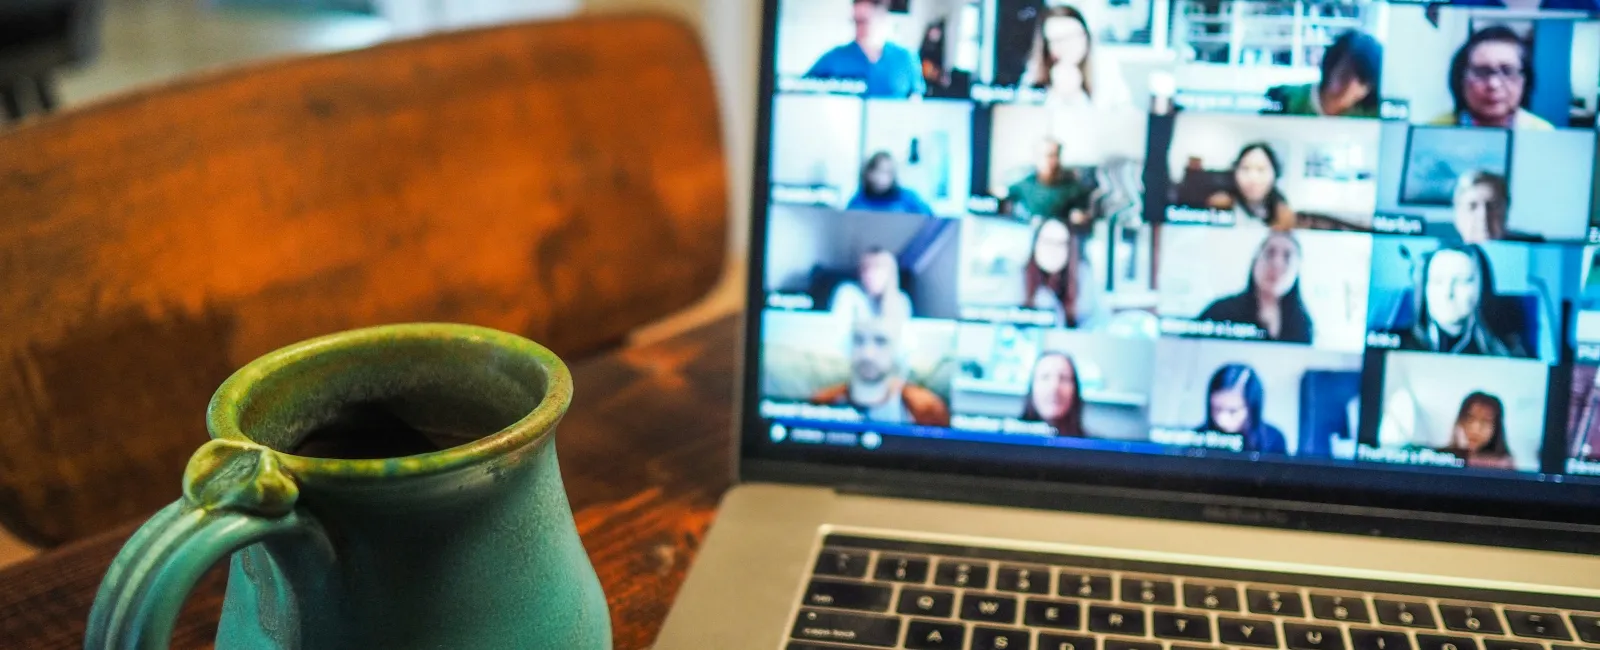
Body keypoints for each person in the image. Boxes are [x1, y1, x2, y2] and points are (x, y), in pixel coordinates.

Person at [810, 315, 950, 426]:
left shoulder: (927, 409)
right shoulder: (822, 403)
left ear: (899, 349)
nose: (867, 354)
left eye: (880, 341)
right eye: (858, 340)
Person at [1398, 245, 1531, 358]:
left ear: (1481, 288)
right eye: (1437, 281)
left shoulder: (1506, 352)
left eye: (1462, 281)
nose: (1447, 293)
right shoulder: (1399, 343)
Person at [1198, 231, 1314, 344]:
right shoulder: (1219, 312)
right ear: (1255, 261)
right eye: (1270, 254)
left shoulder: (1303, 324)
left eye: (1287, 257)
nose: (1277, 264)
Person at [1429, 26, 1553, 130]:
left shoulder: (1541, 133)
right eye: (1481, 72)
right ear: (1460, 79)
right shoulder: (1435, 130)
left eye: (1507, 71)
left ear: (1525, 80)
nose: (1493, 84)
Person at [804, 0, 925, 98]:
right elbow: (803, 90)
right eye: (855, 22)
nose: (858, 27)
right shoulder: (834, 58)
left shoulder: (906, 58)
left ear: (881, 17)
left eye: (864, 21)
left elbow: (915, 100)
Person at [1022, 5, 1132, 109]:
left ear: (1086, 36)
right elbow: (1026, 112)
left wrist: (1075, 96)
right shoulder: (1036, 70)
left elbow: (1125, 113)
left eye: (1072, 36)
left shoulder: (1105, 66)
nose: (1066, 46)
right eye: (1057, 40)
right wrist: (1056, 94)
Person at [1265, 31, 1383, 118]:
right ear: (1330, 66)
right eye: (1345, 74)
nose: (1350, 86)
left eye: (1361, 81)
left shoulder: (1371, 117)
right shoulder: (1285, 100)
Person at [1024, 218, 1106, 328]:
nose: (1052, 250)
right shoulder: (1020, 279)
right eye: (1047, 241)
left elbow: (1099, 323)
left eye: (1060, 243)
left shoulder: (1083, 277)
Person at [1005, 138, 1094, 227]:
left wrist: (1080, 216)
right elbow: (1003, 194)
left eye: (1056, 155)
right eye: (1048, 156)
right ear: (1036, 158)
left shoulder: (1073, 188)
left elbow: (1086, 212)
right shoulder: (1025, 184)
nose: (1053, 161)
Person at [1206, 143, 1296, 230]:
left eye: (1261, 169)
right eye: (1245, 169)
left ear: (1275, 173)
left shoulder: (1282, 211)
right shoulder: (1221, 202)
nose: (1253, 178)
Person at [1202, 364, 1288, 454]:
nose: (1222, 419)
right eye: (1216, 409)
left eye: (1232, 411)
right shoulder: (1198, 437)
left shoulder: (1273, 439)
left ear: (1251, 408)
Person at [831, 247, 914, 322]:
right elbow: (839, 327)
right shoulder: (848, 293)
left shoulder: (901, 300)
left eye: (877, 267)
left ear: (890, 273)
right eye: (865, 268)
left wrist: (889, 298)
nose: (869, 274)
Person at [1451, 171, 1529, 243]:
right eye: (1472, 206)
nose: (1483, 215)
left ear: (1506, 210)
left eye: (1493, 206)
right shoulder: (1446, 252)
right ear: (1457, 215)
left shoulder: (1531, 249)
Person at [1443, 391, 1516, 470]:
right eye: (1469, 418)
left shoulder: (1504, 466)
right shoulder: (1441, 458)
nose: (1475, 429)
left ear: (1496, 428)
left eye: (1485, 421)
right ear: (1460, 420)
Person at [1021, 352, 1087, 437]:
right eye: (1045, 377)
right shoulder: (1008, 437)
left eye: (1063, 378)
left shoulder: (1095, 443)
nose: (1054, 387)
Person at [847, 152, 934, 215]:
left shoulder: (909, 198)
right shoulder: (858, 201)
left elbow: (931, 220)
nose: (883, 178)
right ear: (869, 174)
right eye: (880, 171)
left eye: (888, 172)